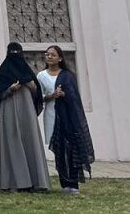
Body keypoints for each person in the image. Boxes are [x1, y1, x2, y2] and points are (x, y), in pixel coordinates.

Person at [0, 42, 50, 192]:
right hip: (9, 109)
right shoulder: (3, 72)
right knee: (11, 141)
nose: (15, 56)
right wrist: (9, 89)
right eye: (13, 52)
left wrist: (33, 87)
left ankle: (35, 182)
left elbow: (37, 94)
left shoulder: (28, 72)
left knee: (30, 141)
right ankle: (12, 182)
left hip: (26, 111)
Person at [40, 45, 94, 195]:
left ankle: (73, 184)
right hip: (52, 115)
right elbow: (39, 98)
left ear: (60, 58)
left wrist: (65, 95)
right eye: (47, 54)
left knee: (71, 149)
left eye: (52, 54)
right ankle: (64, 183)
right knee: (59, 150)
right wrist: (52, 96)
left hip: (69, 117)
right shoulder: (41, 76)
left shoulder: (68, 75)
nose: (49, 57)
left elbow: (75, 96)